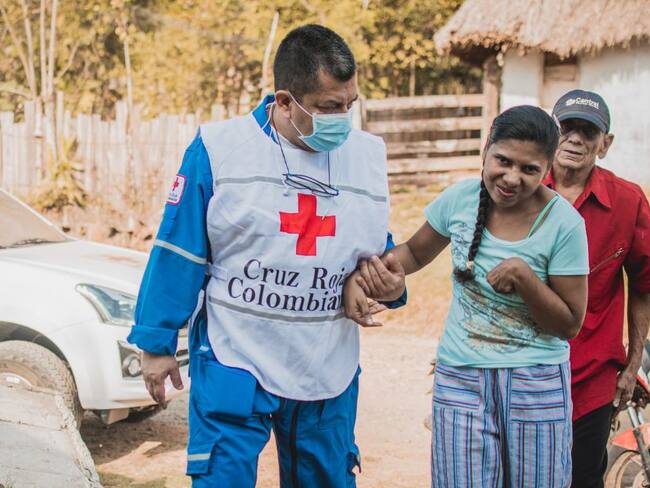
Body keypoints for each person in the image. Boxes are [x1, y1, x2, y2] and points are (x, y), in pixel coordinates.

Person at [127, 24, 405, 488]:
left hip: (325, 363)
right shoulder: (220, 150)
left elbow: (376, 246)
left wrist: (392, 286)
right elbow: (179, 249)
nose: (343, 118)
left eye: (350, 104)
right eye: (329, 107)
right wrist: (157, 343)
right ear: (285, 101)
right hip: (238, 355)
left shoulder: (367, 157)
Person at [345, 105, 589, 487]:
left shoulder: (565, 224)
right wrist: (362, 279)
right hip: (461, 377)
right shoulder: (461, 199)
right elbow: (414, 253)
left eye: (529, 169)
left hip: (536, 383)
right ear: (485, 149)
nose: (512, 177)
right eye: (503, 160)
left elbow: (570, 324)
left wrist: (526, 279)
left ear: (548, 169)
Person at [545, 89, 650, 488]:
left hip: (592, 375)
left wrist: (632, 365)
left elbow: (644, 284)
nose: (574, 138)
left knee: (583, 477)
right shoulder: (522, 188)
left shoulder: (627, 201)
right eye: (566, 127)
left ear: (605, 144)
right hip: (522, 371)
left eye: (587, 131)